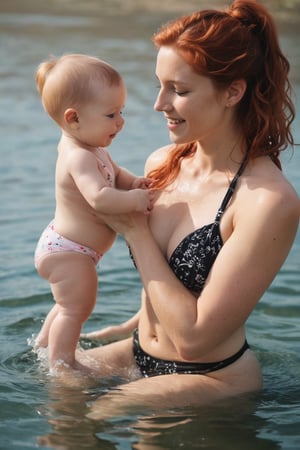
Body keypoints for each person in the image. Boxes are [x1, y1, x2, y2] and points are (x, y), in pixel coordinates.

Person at [78, 0, 299, 415]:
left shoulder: (267, 201)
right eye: (159, 85)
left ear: (233, 91)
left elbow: (195, 340)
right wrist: (138, 321)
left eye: (178, 90)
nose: (159, 103)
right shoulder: (163, 162)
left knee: (100, 412)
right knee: (60, 375)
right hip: (141, 350)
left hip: (213, 376)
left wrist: (135, 231)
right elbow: (171, 275)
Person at [33, 53, 154, 371]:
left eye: (121, 112)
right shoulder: (78, 156)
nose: (121, 122)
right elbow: (99, 196)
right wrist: (135, 201)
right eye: (111, 114)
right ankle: (62, 366)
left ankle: (44, 346)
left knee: (66, 305)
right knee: (77, 307)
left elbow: (116, 175)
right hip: (69, 251)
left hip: (70, 248)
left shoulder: (93, 147)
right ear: (73, 118)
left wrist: (133, 183)